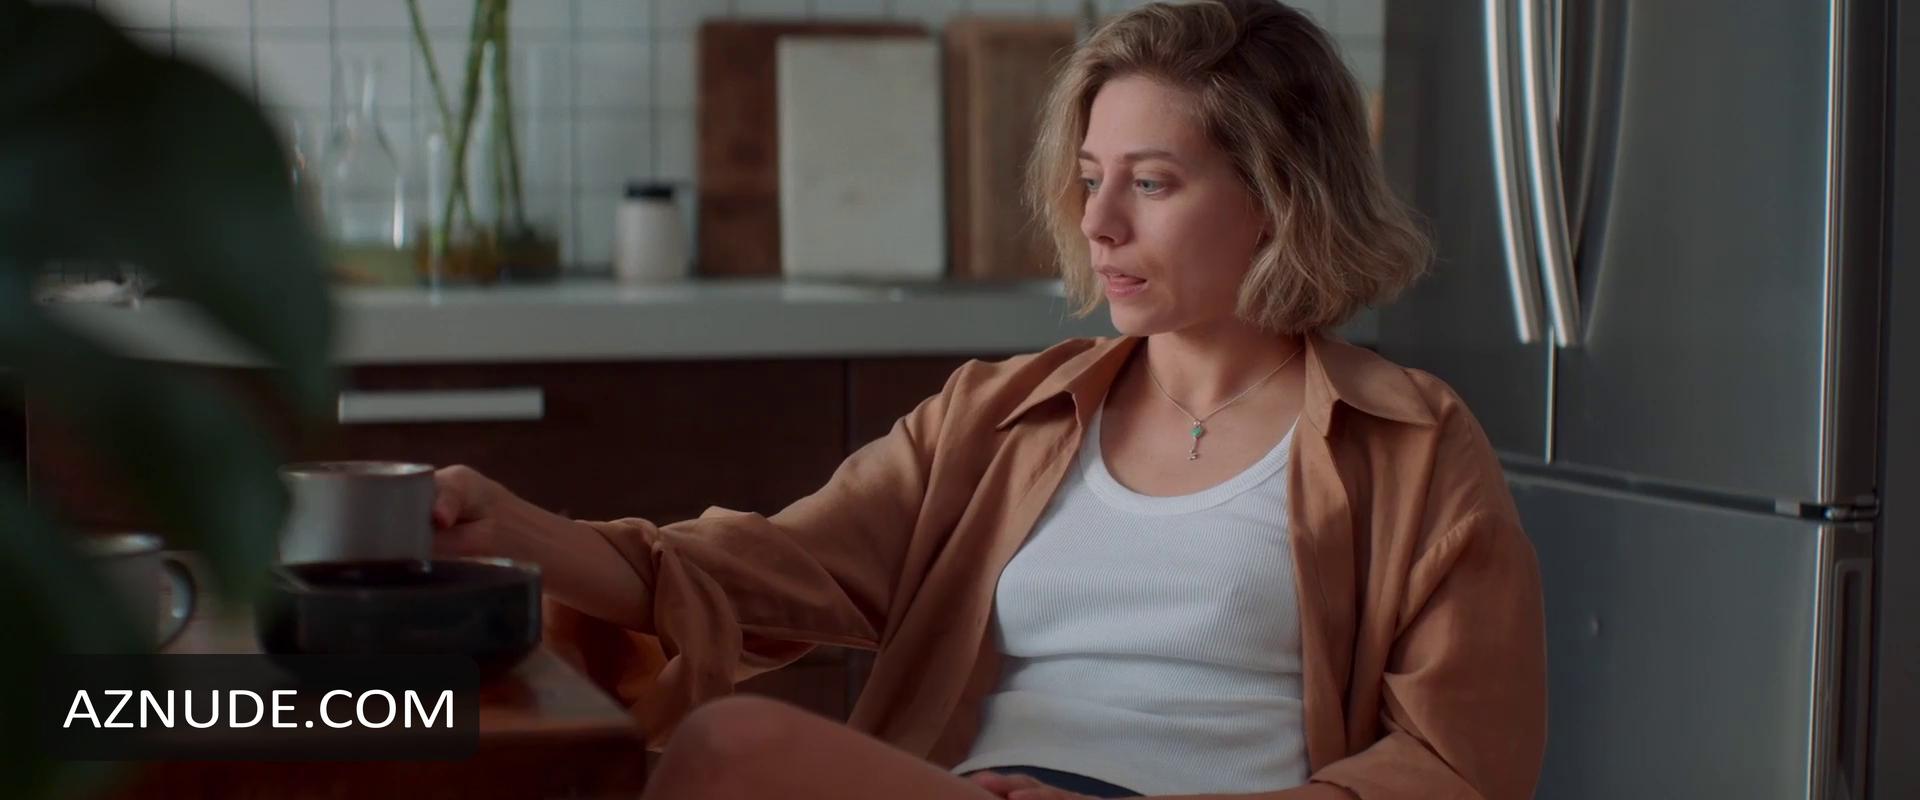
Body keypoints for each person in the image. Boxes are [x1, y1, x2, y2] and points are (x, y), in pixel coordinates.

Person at [429, 1, 1548, 797]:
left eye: (1151, 183)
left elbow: (1457, 763)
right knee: (673, 762)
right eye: (1091, 177)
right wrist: (513, 533)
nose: (1098, 221)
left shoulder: (1409, 443)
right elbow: (755, 574)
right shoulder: (1000, 416)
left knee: (729, 753)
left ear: (1278, 200)